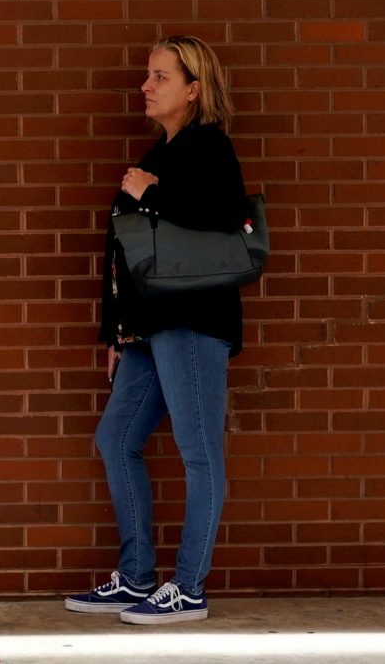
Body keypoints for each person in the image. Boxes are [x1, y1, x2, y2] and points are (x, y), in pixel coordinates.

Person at [65, 36, 254, 624]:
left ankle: (188, 588)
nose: (146, 86)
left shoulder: (208, 147)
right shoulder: (162, 152)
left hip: (194, 325)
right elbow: (127, 256)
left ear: (193, 89)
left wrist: (154, 194)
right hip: (148, 330)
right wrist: (116, 334)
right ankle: (137, 575)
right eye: (148, 76)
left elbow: (228, 220)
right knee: (116, 438)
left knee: (199, 456)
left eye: (160, 77)